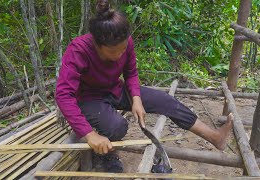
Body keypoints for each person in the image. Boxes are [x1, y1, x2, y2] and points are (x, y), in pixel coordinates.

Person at [55, 0, 233, 173]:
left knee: (166, 101)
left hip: (115, 88)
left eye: (122, 50)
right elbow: (63, 95)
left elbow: (131, 73)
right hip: (88, 98)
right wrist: (89, 134)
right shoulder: (78, 50)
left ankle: (215, 137)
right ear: (96, 44)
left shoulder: (127, 42)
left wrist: (137, 99)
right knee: (117, 127)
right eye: (112, 52)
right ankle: (106, 155)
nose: (119, 55)